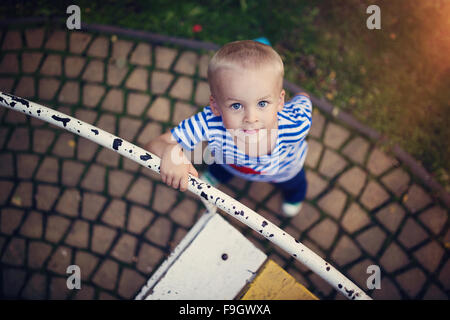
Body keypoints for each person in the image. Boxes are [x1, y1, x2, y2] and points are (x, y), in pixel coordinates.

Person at [145, 40, 312, 217]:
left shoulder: (296, 124)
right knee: (219, 166)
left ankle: (294, 197)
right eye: (236, 106)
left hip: (284, 171)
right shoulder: (211, 123)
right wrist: (170, 152)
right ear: (215, 106)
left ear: (280, 102)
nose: (251, 118)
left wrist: (302, 96)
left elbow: (303, 98)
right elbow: (155, 144)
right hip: (228, 162)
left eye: (262, 103)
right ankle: (217, 175)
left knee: (295, 185)